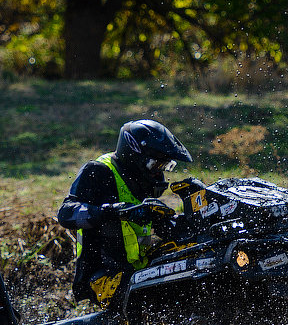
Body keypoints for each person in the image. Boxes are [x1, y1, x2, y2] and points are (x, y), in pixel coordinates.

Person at [57, 119, 192, 304]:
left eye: (164, 166)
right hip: (102, 278)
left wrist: (180, 221)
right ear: (133, 155)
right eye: (155, 165)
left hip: (138, 271)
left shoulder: (142, 184)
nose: (158, 172)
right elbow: (65, 214)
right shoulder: (98, 171)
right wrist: (112, 211)